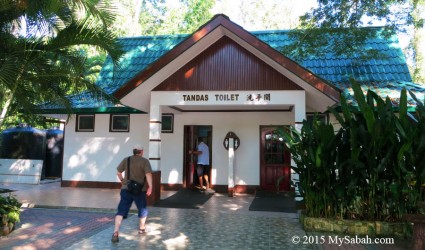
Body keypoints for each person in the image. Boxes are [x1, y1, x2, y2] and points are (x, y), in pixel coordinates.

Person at [111, 145, 152, 243]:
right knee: (142, 208)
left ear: (133, 151)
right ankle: (142, 229)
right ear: (141, 152)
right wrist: (151, 186)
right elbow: (148, 174)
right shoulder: (145, 161)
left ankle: (116, 232)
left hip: (126, 189)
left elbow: (118, 172)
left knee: (121, 211)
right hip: (140, 190)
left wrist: (122, 181)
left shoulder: (126, 159)